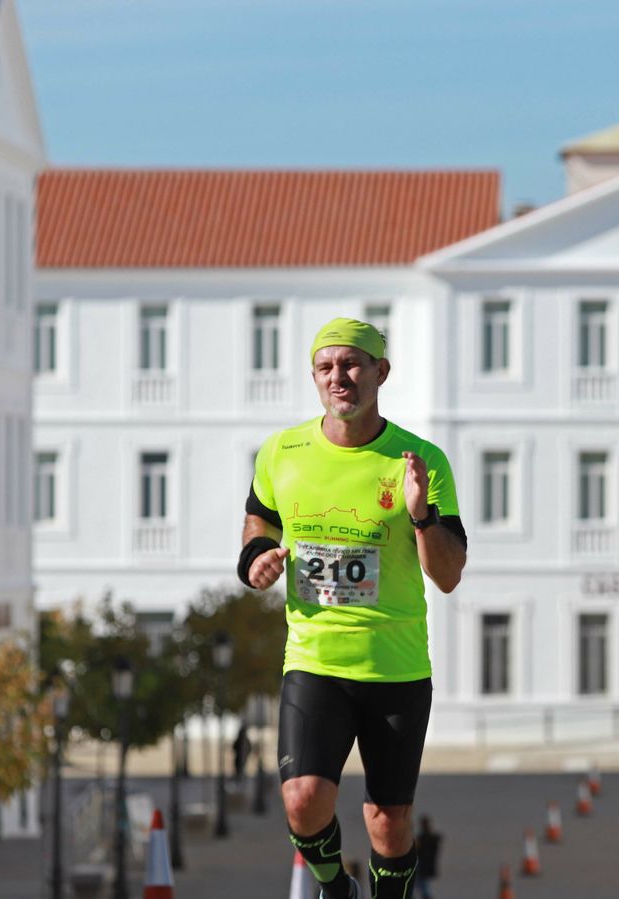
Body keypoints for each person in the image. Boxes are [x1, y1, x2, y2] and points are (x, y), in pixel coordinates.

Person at [241, 318, 468, 899]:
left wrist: (420, 516)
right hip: (314, 659)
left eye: (352, 365)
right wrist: (258, 558)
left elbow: (446, 575)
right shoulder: (281, 451)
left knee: (387, 825)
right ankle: (334, 886)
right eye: (326, 367)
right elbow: (258, 522)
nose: (339, 377)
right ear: (313, 377)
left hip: (394, 666)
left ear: (380, 373)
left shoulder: (422, 459)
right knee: (301, 799)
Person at [414, 815, 442, 899]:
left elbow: (420, 851)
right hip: (424, 865)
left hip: (423, 866)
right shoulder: (429, 837)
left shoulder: (426, 838)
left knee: (421, 886)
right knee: (422, 885)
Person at [232, 722, 253, 788]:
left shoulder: (245, 740)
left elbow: (249, 748)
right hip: (239, 758)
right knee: (239, 771)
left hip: (242, 758)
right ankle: (240, 782)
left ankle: (241, 782)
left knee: (241, 771)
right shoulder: (243, 740)